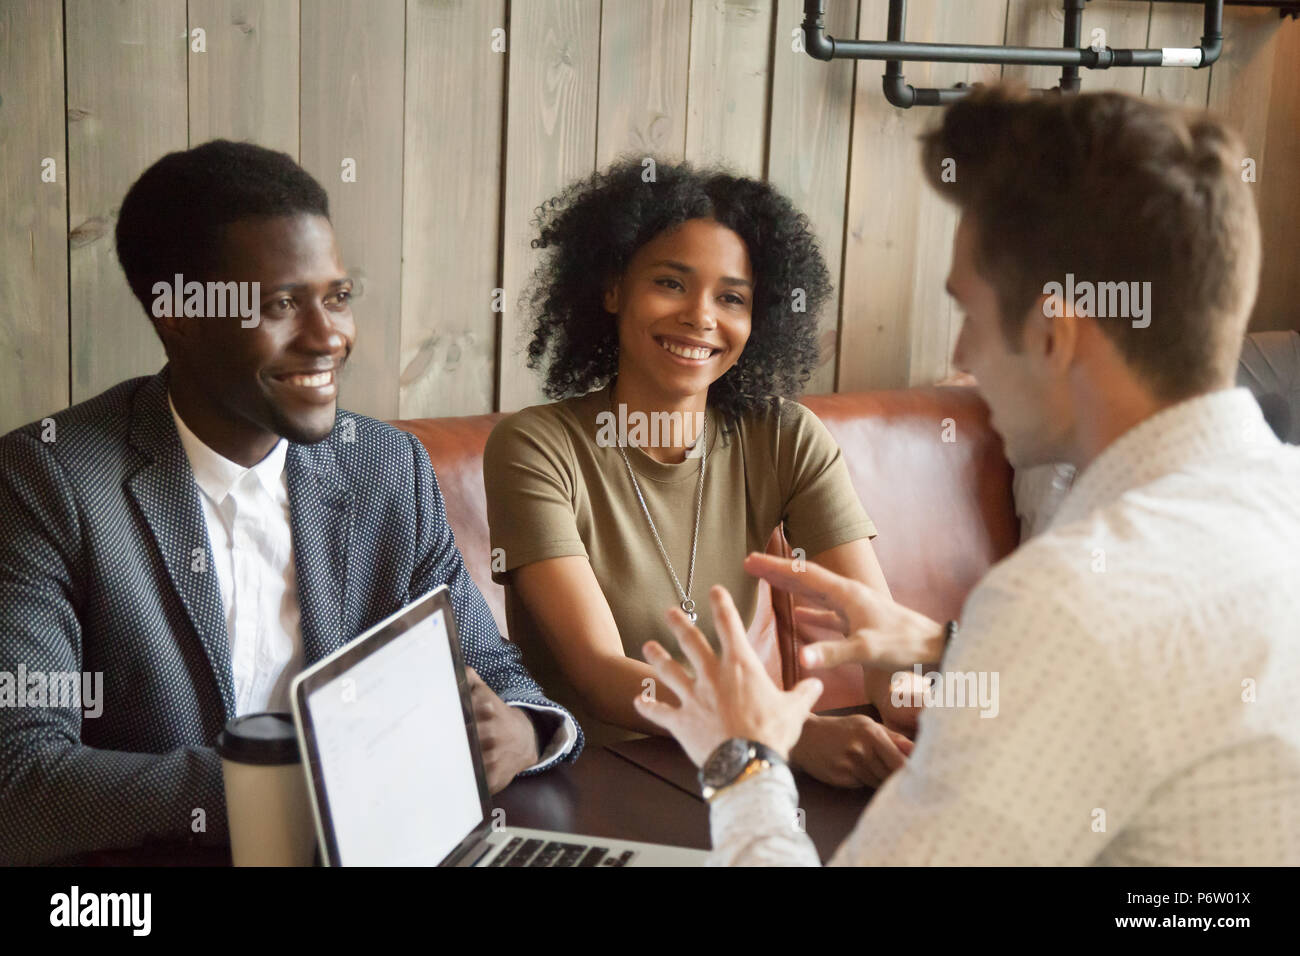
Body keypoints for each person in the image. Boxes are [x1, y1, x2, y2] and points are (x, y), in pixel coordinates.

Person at [634, 85, 1300, 864]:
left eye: (970, 313)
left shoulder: (1066, 605)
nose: (962, 358)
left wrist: (741, 758)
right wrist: (949, 646)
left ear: (1053, 335)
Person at [0, 141, 579, 866]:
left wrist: (522, 730)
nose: (327, 337)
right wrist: (299, 783)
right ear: (175, 313)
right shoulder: (49, 480)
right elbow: (19, 778)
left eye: (336, 297)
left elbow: (492, 667)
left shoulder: (384, 468)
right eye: (280, 304)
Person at [483, 159, 918, 787]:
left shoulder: (784, 437)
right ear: (612, 289)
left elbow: (873, 627)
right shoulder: (535, 447)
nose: (701, 316)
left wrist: (917, 704)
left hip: (742, 781)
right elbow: (602, 674)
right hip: (600, 786)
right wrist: (785, 733)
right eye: (670, 283)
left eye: (731, 297)